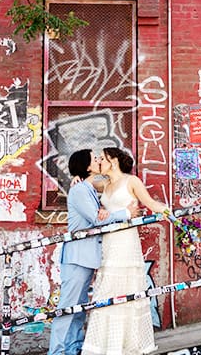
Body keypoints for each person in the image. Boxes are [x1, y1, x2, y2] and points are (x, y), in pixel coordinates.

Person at [48, 148, 139, 355]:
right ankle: (57, 351)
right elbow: (96, 218)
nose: (100, 160)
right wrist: (125, 212)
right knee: (68, 308)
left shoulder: (87, 188)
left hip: (87, 258)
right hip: (77, 257)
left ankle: (73, 347)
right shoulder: (80, 191)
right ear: (88, 167)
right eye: (95, 158)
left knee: (78, 309)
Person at [81, 147, 168, 355]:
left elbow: (149, 203)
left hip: (126, 242)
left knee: (125, 289)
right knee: (107, 290)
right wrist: (78, 178)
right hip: (108, 242)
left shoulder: (131, 181)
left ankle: (128, 344)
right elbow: (86, 182)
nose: (100, 161)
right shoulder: (104, 184)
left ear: (113, 161)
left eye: (103, 158)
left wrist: (169, 212)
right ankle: (106, 345)